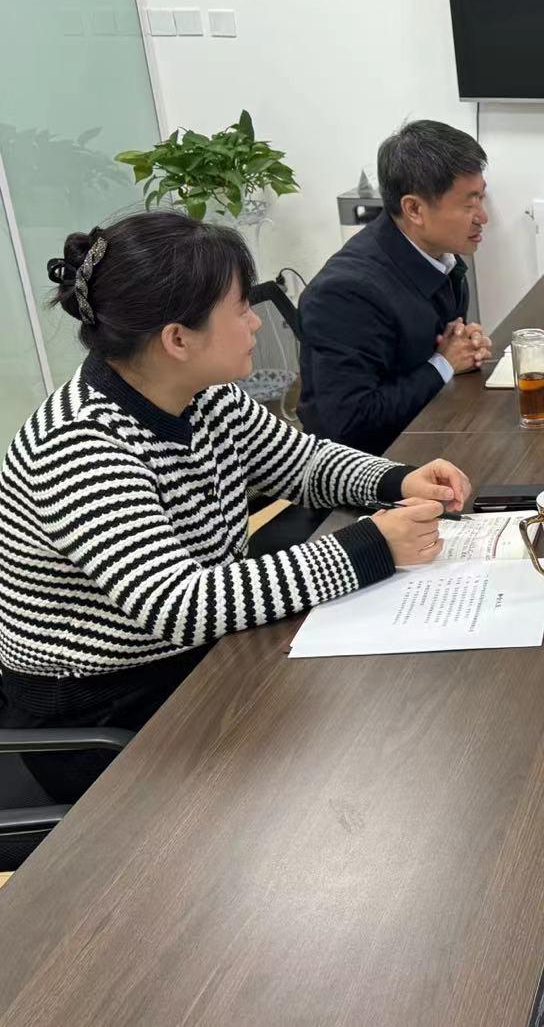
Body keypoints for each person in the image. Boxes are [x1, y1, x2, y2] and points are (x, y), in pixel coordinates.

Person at [0, 212, 470, 801]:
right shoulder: (78, 445)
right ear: (177, 339)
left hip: (201, 658)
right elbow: (180, 603)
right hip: (104, 712)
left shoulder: (205, 396)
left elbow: (303, 464)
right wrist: (371, 545)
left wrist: (397, 481)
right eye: (241, 308)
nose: (256, 322)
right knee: (328, 777)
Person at [298, 119, 494, 455]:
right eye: (469, 204)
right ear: (414, 209)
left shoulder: (442, 260)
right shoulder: (345, 293)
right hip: (367, 468)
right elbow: (349, 422)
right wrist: (444, 364)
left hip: (430, 435)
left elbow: (438, 351)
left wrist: (463, 349)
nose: (483, 217)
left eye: (482, 197)